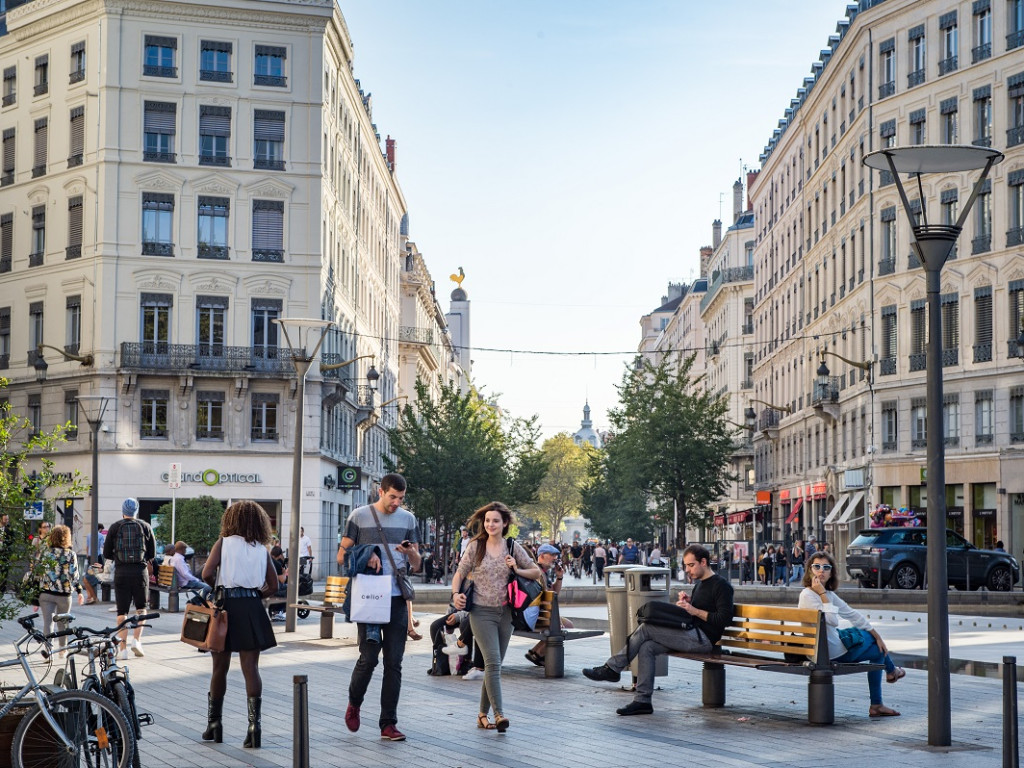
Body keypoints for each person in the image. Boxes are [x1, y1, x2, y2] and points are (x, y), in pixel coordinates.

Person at [582, 544, 734, 715]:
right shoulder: (700, 585)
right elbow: (701, 612)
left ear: (704, 562)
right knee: (647, 647)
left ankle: (612, 668)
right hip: (691, 634)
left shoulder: (722, 586)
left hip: (703, 640)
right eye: (686, 566)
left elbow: (724, 619)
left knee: (646, 628)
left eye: (691, 565)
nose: (687, 570)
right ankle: (643, 701)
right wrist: (689, 603)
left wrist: (694, 610)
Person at [338, 473, 420, 742]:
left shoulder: (408, 520)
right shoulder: (359, 516)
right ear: (381, 491)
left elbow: (417, 563)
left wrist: (410, 553)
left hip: (396, 598)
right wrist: (368, 553)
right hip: (370, 597)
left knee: (393, 663)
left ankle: (388, 723)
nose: (396, 502)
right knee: (369, 658)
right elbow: (341, 556)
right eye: (392, 496)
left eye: (401, 498)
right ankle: (354, 702)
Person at [451, 502, 542, 733]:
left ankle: (482, 714)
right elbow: (460, 573)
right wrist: (455, 594)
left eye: (495, 521)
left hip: (507, 614)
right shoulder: (476, 546)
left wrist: (516, 569)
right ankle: (499, 714)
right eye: (488, 520)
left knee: (494, 666)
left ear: (505, 524)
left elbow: (536, 572)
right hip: (481, 612)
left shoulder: (512, 547)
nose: (490, 524)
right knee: (492, 663)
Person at [200, 500, 278, 748]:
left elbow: (206, 574)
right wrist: (256, 596)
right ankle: (254, 728)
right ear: (259, 522)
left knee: (219, 668)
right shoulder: (262, 549)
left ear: (231, 520)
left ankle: (215, 725)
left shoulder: (224, 543)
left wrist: (219, 589)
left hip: (227, 608)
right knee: (251, 668)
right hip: (252, 608)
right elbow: (274, 585)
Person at [798, 550, 904, 718]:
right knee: (877, 651)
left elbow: (851, 613)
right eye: (816, 566)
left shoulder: (829, 594)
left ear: (831, 572)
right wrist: (823, 595)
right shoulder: (808, 595)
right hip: (827, 653)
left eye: (826, 567)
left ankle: (888, 680)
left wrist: (877, 635)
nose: (821, 571)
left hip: (827, 647)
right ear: (810, 570)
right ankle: (884, 687)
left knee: (871, 638)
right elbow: (833, 621)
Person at [102, 498, 156, 660]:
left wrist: (119, 559)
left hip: (121, 572)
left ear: (122, 510)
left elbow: (106, 554)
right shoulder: (145, 526)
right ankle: (137, 641)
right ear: (136, 510)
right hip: (140, 572)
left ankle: (123, 648)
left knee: (122, 612)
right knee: (141, 608)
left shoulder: (115, 527)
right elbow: (152, 554)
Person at [28, 524, 85, 653]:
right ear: (67, 538)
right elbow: (74, 575)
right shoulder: (70, 554)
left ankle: (48, 651)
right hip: (64, 595)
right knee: (63, 623)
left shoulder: (44, 553)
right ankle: (63, 651)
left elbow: (37, 574)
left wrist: (35, 598)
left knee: (48, 623)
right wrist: (80, 592)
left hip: (46, 594)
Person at [524, 543, 570, 667]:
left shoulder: (544, 572)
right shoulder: (537, 572)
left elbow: (554, 594)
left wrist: (559, 578)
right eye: (552, 555)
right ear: (542, 556)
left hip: (542, 613)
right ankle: (537, 653)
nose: (555, 558)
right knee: (563, 627)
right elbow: (545, 598)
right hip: (535, 614)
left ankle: (536, 652)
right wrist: (554, 619)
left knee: (567, 625)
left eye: (556, 555)